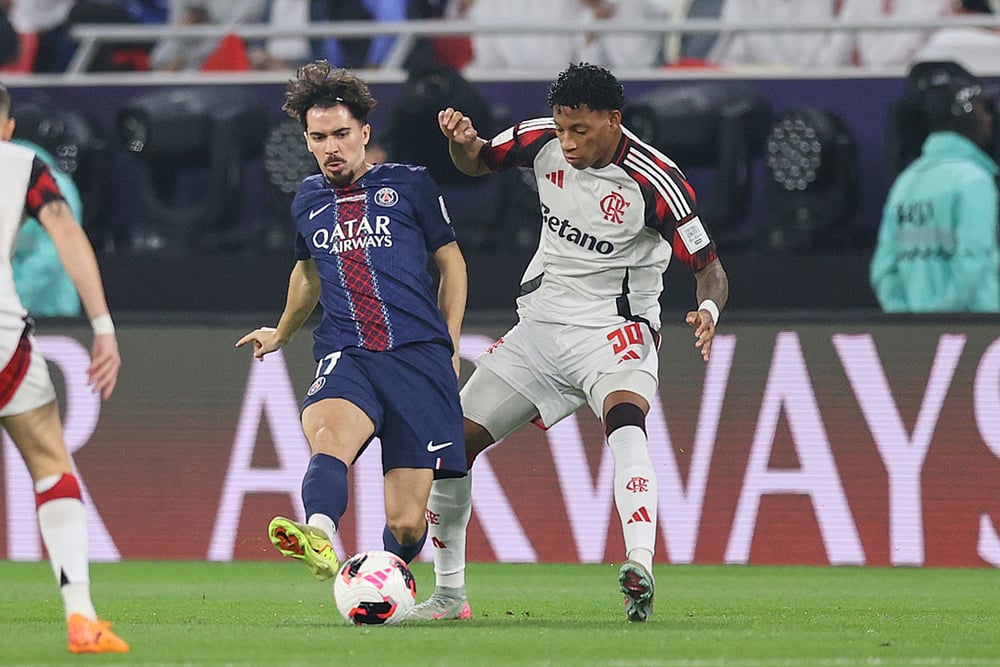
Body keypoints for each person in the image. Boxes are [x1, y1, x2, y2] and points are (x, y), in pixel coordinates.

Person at [410, 62, 729, 624]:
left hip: (616, 332)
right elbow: (480, 160)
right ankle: (450, 595)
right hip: (541, 328)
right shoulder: (541, 141)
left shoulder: (657, 180)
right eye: (562, 127)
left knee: (626, 424)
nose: (568, 141)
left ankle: (640, 567)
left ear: (613, 120)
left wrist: (706, 309)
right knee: (447, 448)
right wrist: (463, 144)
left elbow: (708, 267)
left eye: (580, 130)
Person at [235, 61, 468, 581]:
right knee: (328, 437)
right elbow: (307, 274)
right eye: (318, 137)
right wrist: (282, 331)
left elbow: (452, 265)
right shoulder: (307, 199)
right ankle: (318, 533)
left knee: (407, 525)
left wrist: (449, 344)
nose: (331, 147)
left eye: (341, 134)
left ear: (364, 133)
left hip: (417, 358)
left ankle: (380, 579)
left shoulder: (410, 186)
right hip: (348, 352)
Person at [0, 82, 128, 654]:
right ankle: (81, 616)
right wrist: (102, 327)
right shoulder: (23, 163)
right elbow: (67, 231)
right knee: (51, 461)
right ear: (7, 127)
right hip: (3, 340)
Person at [870, 75, 1000, 312]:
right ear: (965, 115)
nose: (990, 117)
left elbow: (884, 268)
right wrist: (944, 318)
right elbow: (974, 257)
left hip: (916, 337)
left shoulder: (905, 182)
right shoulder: (973, 180)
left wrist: (907, 320)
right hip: (979, 332)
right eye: (984, 108)